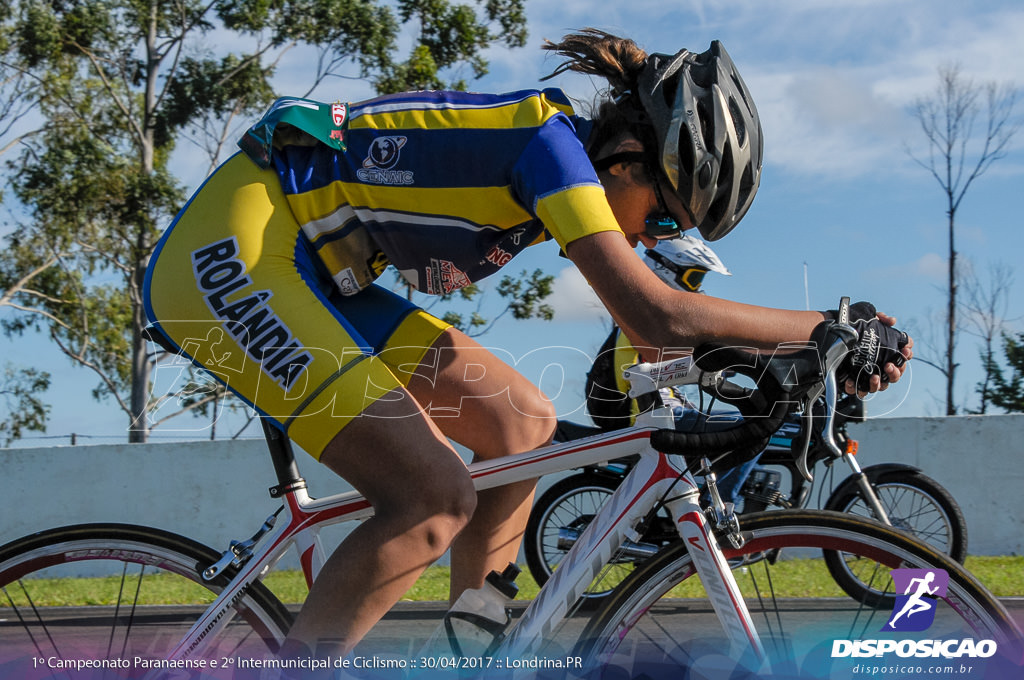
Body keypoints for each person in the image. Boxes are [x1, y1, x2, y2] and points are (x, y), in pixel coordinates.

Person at [143, 28, 912, 658]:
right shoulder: (549, 151)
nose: (661, 236)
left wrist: (807, 365)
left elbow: (658, 354)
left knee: (522, 426)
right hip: (234, 254)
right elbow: (659, 316)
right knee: (430, 498)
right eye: (670, 215)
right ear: (626, 161)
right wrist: (827, 327)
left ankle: (471, 651)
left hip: (310, 264)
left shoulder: (565, 172)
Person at [584, 235, 760, 507]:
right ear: (664, 269)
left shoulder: (641, 311)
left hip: (659, 407)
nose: (697, 288)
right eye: (693, 278)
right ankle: (721, 508)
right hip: (650, 413)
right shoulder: (646, 315)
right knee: (755, 427)